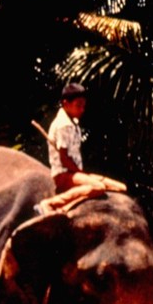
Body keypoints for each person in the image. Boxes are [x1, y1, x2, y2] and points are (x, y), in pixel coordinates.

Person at [34, 82, 126, 213]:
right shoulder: (63, 125)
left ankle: (67, 207)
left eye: (83, 106)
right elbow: (64, 159)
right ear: (66, 103)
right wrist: (82, 174)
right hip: (64, 174)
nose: (82, 110)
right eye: (78, 105)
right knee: (98, 187)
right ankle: (50, 204)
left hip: (75, 172)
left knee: (121, 188)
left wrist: (83, 174)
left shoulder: (74, 122)